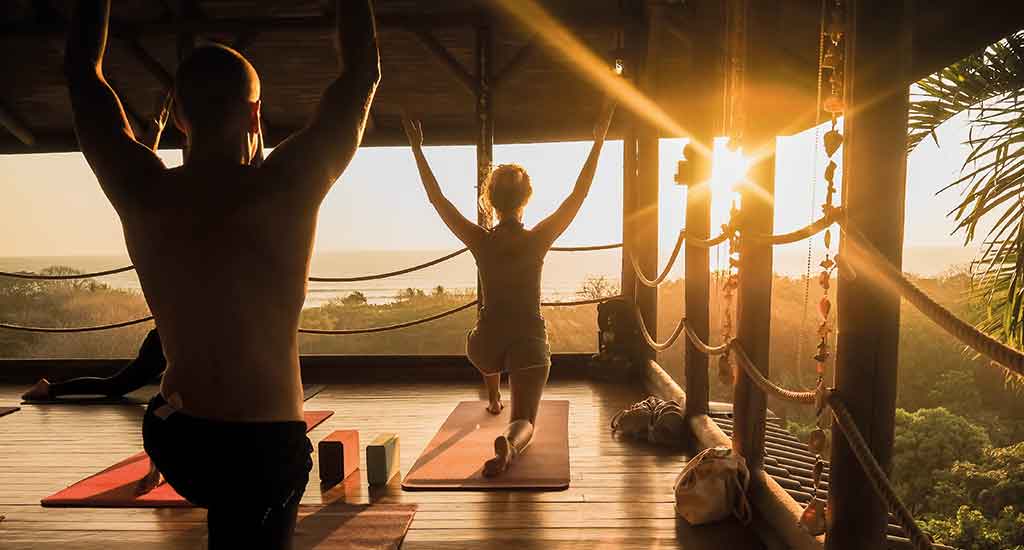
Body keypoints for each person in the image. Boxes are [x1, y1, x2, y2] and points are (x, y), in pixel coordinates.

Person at [64, 0, 379, 547]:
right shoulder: (287, 185)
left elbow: (80, 73)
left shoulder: (143, 190)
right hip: (264, 449)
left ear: (179, 114)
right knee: (254, 498)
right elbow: (362, 74)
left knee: (179, 427)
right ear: (255, 114)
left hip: (178, 442)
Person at [402, 101, 615, 476]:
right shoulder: (538, 239)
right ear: (527, 199)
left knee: (482, 336)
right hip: (529, 342)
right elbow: (577, 196)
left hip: (485, 346)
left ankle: (493, 394)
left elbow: (438, 200)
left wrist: (417, 149)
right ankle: (511, 443)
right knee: (527, 419)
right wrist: (598, 142)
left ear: (490, 199)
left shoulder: (480, 240)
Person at [21, 329, 165, 401]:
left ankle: (50, 389)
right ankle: (49, 389)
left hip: (165, 340)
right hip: (164, 342)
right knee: (115, 386)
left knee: (116, 386)